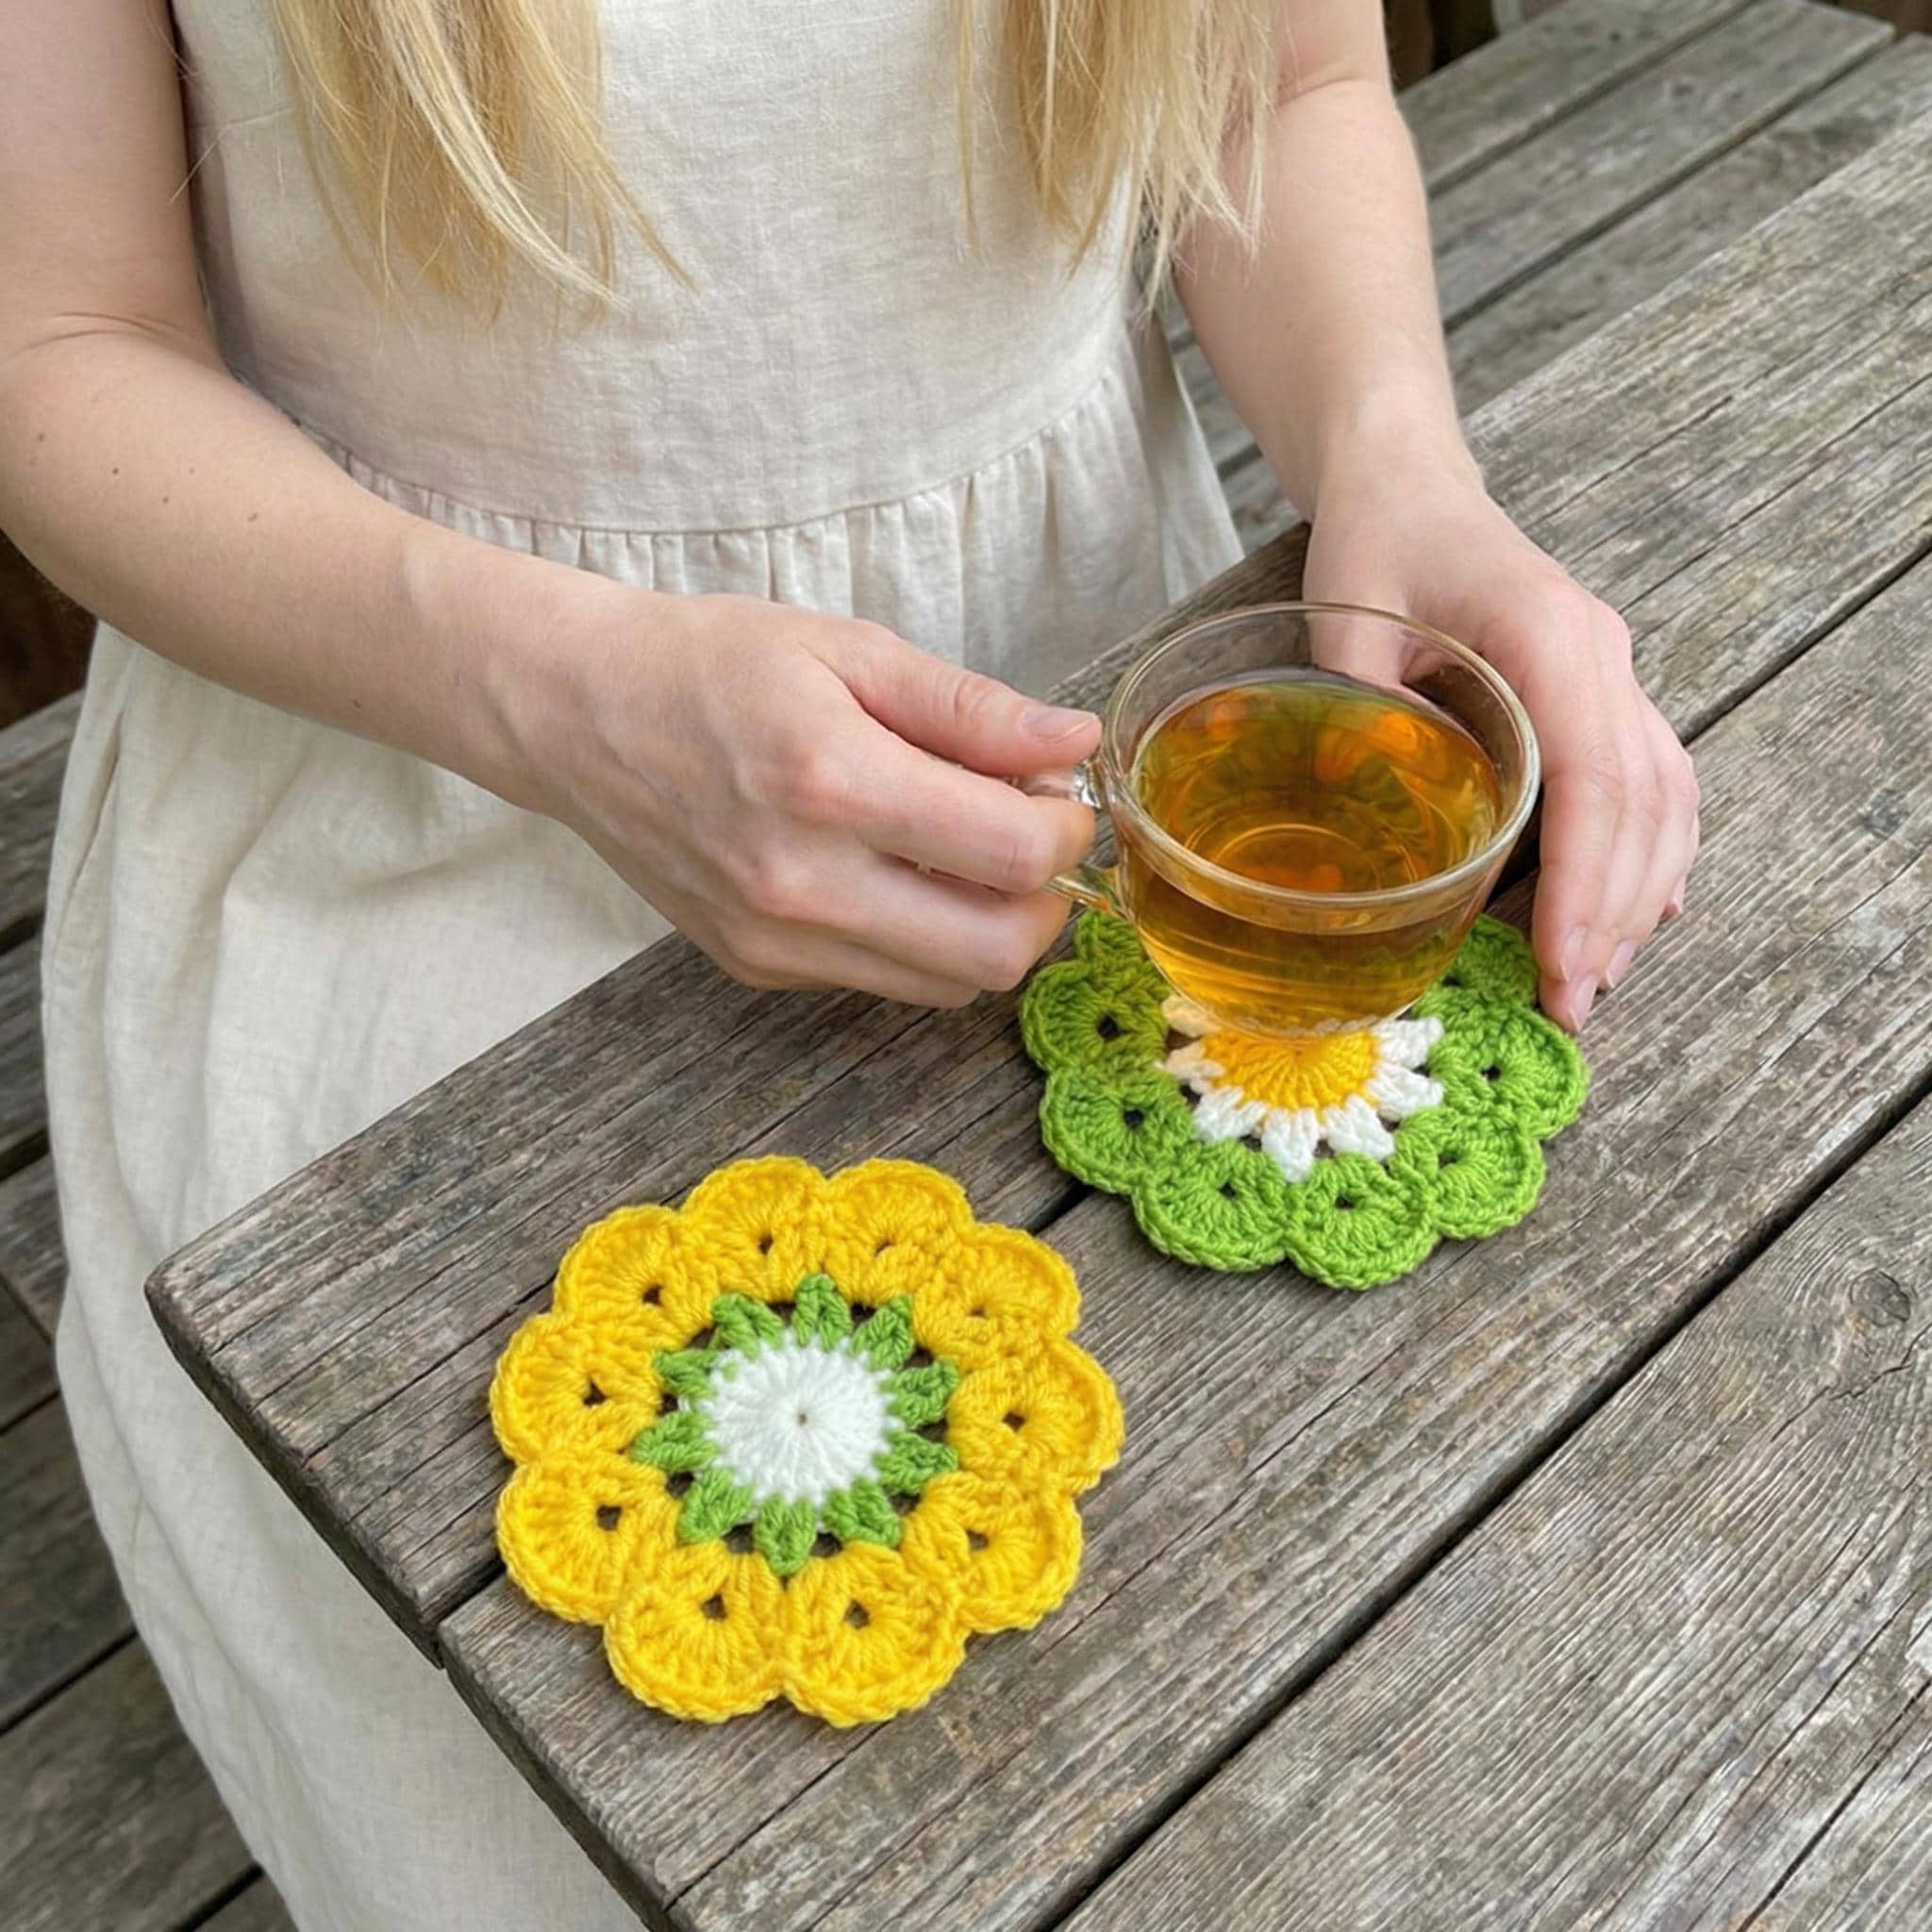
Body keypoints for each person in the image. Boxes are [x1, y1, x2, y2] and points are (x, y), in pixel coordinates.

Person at [0, 0, 1698, 1924]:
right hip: (405, 780)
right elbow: (56, 338)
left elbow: (1280, 83)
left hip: (1091, 716)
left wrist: (1403, 469)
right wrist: (558, 697)